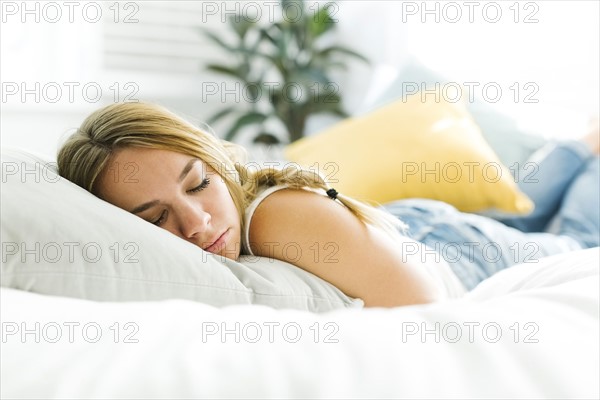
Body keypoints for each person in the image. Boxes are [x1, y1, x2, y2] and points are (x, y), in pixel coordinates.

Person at [57, 103, 600, 308]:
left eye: (198, 184)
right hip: (396, 225)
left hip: (445, 248)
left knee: (575, 239)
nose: (196, 223)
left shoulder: (278, 215)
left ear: (218, 165)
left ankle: (587, 145)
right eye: (154, 219)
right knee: (521, 212)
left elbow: (428, 311)